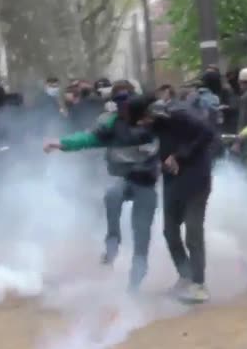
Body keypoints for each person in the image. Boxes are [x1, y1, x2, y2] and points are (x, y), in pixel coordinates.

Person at [44, 83, 162, 291]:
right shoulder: (111, 124)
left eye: (127, 100)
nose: (124, 106)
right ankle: (112, 243)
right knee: (112, 195)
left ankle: (135, 282)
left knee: (141, 231)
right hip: (123, 178)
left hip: (147, 183)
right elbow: (89, 138)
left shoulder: (155, 122)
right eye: (119, 102)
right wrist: (61, 143)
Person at [126, 96, 216, 303]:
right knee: (169, 231)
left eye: (141, 120)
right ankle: (186, 276)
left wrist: (179, 155)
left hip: (196, 181)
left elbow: (208, 133)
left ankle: (199, 284)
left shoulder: (178, 114)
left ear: (148, 113)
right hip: (172, 182)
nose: (141, 125)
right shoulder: (152, 127)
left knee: (193, 231)